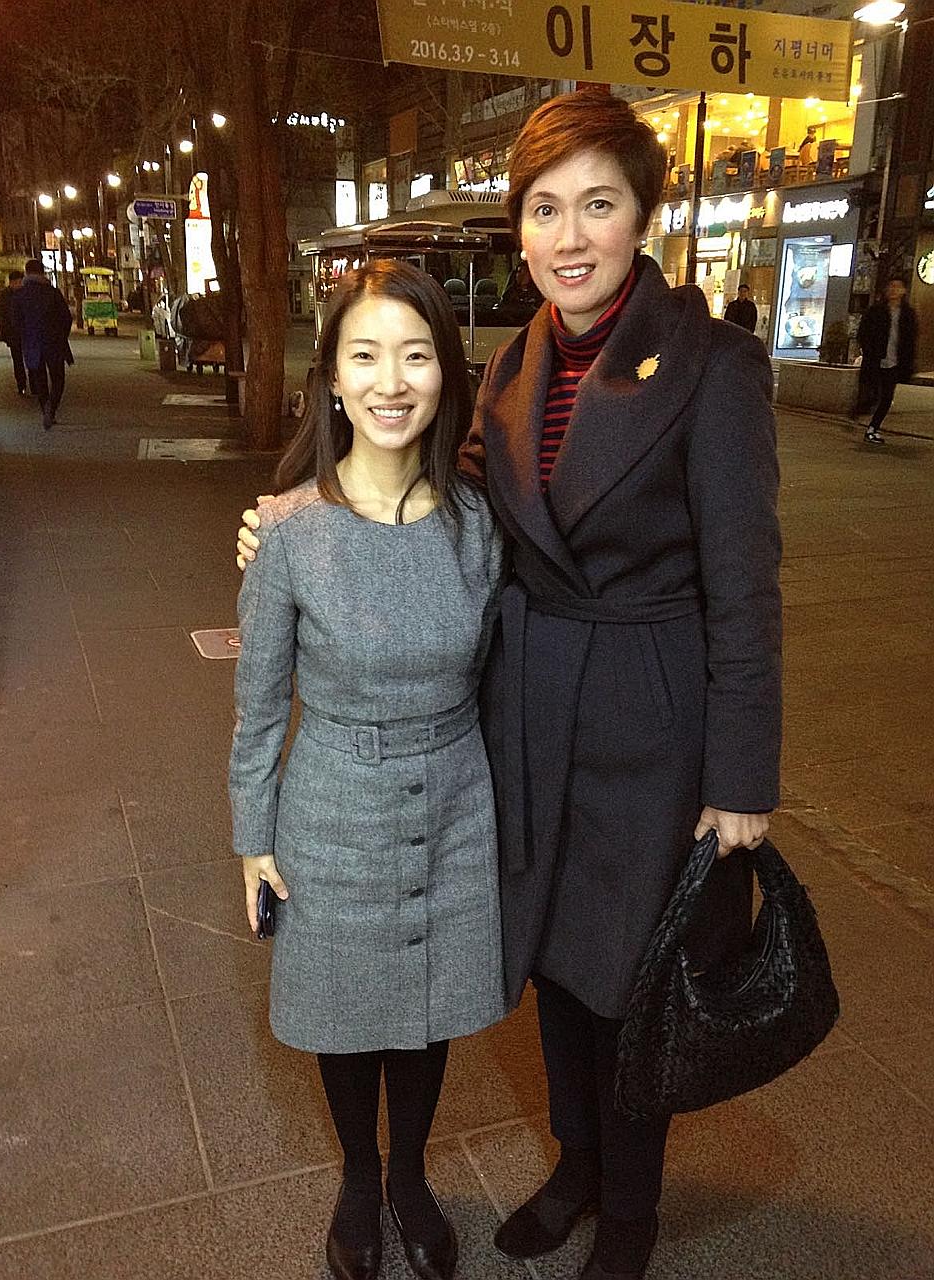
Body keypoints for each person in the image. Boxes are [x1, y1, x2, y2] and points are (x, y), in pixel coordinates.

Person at [239, 88, 782, 1280]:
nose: (571, 234)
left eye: (599, 203)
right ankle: (576, 1166)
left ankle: (628, 1215)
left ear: (645, 213)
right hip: (530, 706)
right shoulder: (515, 362)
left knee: (633, 976)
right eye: (547, 208)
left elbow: (747, 585)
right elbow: (450, 486)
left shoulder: (713, 366)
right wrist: (304, 505)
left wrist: (744, 774)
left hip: (650, 715)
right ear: (522, 227)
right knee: (557, 964)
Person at [229, 258, 506, 1280]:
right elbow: (258, 702)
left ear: (445, 375)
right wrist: (250, 836)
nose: (393, 381)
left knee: (427, 1001)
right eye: (367, 356)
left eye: (417, 354)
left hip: (455, 795)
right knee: (348, 1007)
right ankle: (358, 1174)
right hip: (333, 795)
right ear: (333, 382)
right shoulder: (291, 531)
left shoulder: (480, 523)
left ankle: (411, 1176)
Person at [9, 259, 73, 430]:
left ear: (27, 273)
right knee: (58, 378)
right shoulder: (53, 292)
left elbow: (15, 322)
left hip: (32, 343)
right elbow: (67, 318)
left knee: (39, 380)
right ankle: (52, 408)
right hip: (54, 342)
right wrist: (61, 335)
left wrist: (25, 336)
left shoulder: (19, 295)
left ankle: (45, 407)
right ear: (42, 272)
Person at [856, 276, 917, 444]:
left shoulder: (907, 314)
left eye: (898, 287)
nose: (894, 290)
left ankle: (873, 428)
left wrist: (908, 363)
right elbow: (863, 333)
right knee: (872, 394)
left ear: (904, 291)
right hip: (876, 360)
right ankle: (858, 413)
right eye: (891, 286)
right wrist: (869, 351)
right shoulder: (876, 311)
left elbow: (910, 340)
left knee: (886, 398)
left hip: (894, 362)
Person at [0, 269, 27, 395]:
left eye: (21, 282)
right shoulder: (5, 295)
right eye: (17, 282)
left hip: (26, 331)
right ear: (11, 282)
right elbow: (2, 314)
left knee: (31, 357)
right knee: (17, 359)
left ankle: (35, 383)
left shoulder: (26, 293)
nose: (19, 284)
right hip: (13, 333)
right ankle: (21, 383)